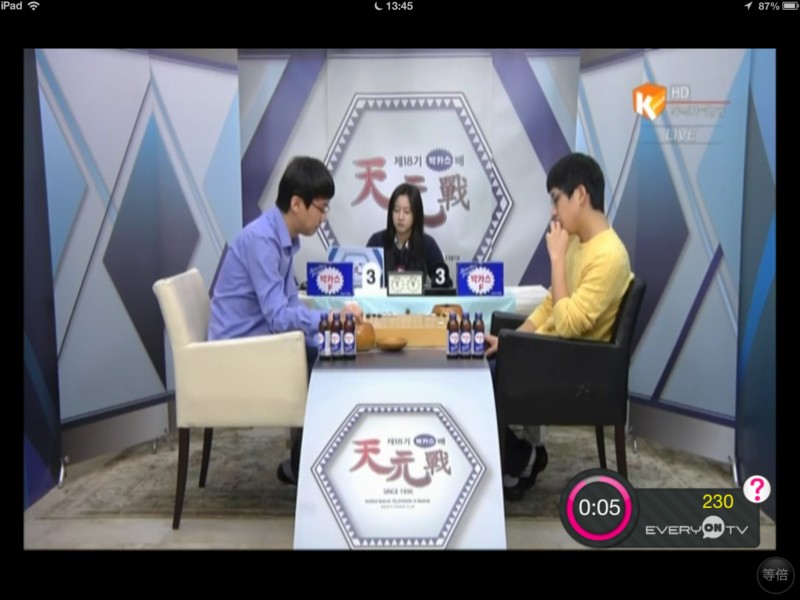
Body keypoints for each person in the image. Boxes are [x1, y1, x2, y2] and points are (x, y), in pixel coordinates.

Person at [484, 152, 633, 502]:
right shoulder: (579, 243)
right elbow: (552, 304)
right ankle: (517, 460)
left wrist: (555, 259)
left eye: (556, 200)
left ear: (579, 195)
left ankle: (519, 458)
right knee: (478, 367)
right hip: (551, 353)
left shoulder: (610, 256)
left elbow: (566, 327)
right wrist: (512, 341)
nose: (553, 211)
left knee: (482, 379)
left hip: (573, 367)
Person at [208, 156, 363, 486]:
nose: (324, 217)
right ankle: (307, 466)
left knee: (331, 351)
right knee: (327, 360)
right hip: (237, 352)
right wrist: (329, 321)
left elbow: (289, 305)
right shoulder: (261, 241)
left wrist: (328, 330)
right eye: (321, 208)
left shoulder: (284, 240)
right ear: (296, 204)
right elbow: (279, 318)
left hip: (262, 339)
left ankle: (312, 462)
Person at [366, 183, 448, 285]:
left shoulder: (427, 244)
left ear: (416, 214)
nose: (400, 217)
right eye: (396, 210)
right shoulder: (377, 241)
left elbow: (442, 283)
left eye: (407, 211)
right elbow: (364, 282)